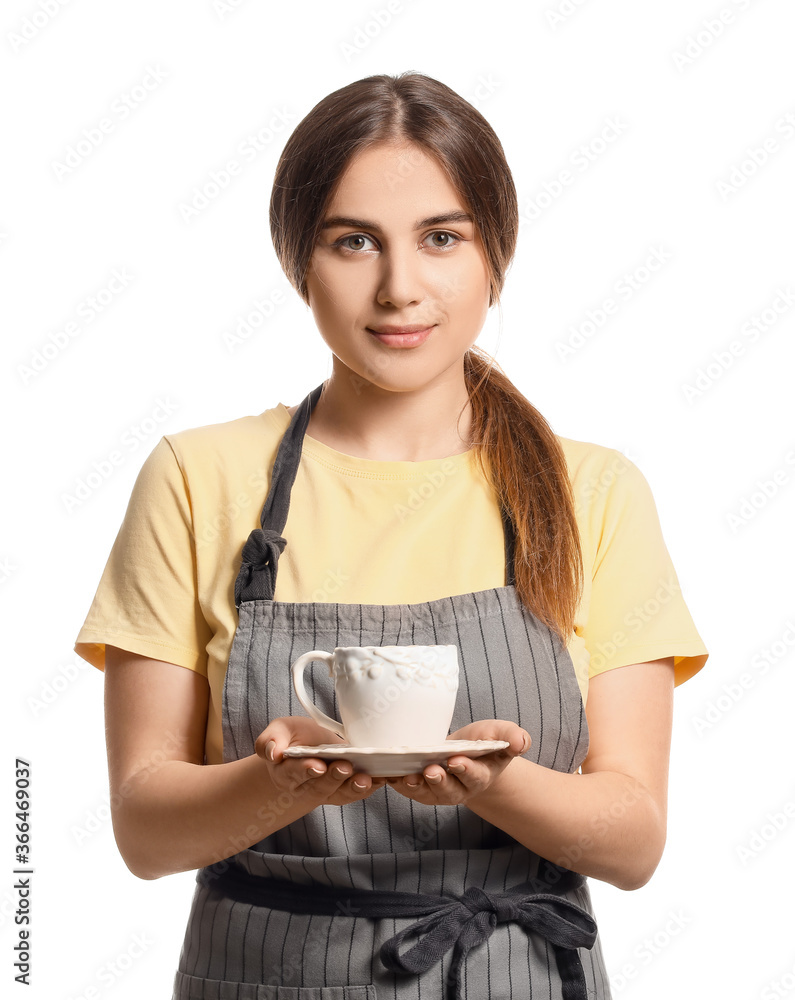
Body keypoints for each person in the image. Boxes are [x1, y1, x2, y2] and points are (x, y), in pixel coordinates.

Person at [74, 72, 709, 1000]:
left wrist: (492, 782)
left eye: (441, 238)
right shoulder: (195, 478)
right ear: (299, 262)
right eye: (353, 241)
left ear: (495, 259)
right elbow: (144, 832)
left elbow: (632, 840)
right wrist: (280, 781)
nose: (399, 287)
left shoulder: (593, 492)